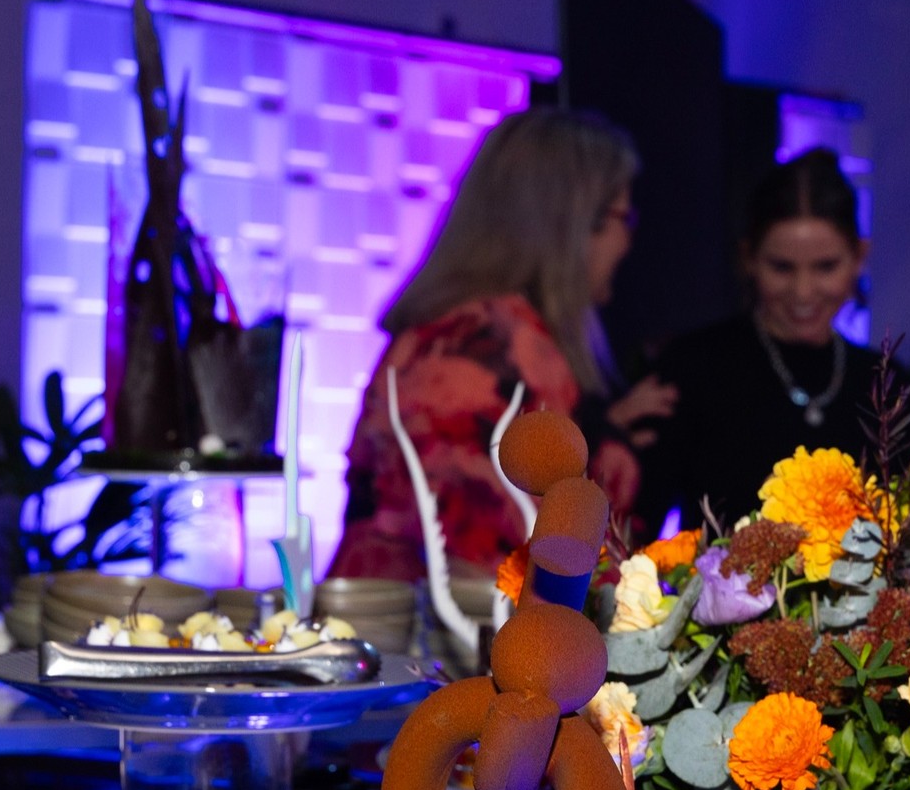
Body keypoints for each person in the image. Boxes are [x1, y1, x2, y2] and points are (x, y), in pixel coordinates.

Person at [332, 107, 668, 580]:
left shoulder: (452, 334)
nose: (627, 242)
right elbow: (510, 567)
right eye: (623, 217)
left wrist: (601, 435)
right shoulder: (496, 348)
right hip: (446, 648)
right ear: (574, 225)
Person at [641, 148, 875, 529]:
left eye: (825, 267)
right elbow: (631, 535)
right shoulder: (693, 368)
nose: (803, 292)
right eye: (782, 267)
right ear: (749, 258)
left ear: (859, 257)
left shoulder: (883, 382)